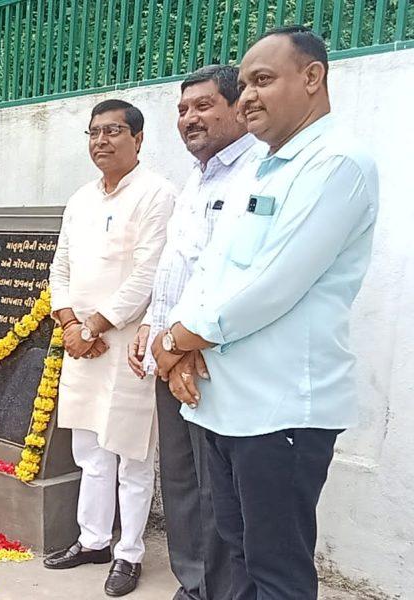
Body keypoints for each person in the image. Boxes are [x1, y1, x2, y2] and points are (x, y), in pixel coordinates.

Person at [154, 27, 379, 599]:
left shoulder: (337, 165)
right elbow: (212, 271)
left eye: (263, 79)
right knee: (235, 552)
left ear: (312, 77)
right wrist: (173, 347)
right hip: (224, 405)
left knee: (277, 569)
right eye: (245, 83)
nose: (247, 95)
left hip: (281, 412)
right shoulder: (259, 170)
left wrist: (179, 340)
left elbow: (272, 285)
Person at [126, 65, 258, 600]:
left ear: (237, 107)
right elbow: (175, 266)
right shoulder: (197, 176)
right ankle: (193, 583)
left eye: (203, 106)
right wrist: (154, 326)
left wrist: (178, 345)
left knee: (217, 491)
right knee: (180, 479)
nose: (189, 118)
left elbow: (228, 274)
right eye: (182, 109)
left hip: (208, 360)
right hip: (169, 350)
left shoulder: (254, 173)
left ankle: (220, 589)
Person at [43, 100, 176, 597]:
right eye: (94, 132)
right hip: (82, 342)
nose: (101, 140)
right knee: (89, 449)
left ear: (138, 139)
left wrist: (97, 326)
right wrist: (71, 323)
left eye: (113, 131)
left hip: (127, 345)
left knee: (132, 453)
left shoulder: (158, 194)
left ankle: (129, 553)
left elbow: (149, 273)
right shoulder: (80, 199)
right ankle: (94, 539)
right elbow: (61, 267)